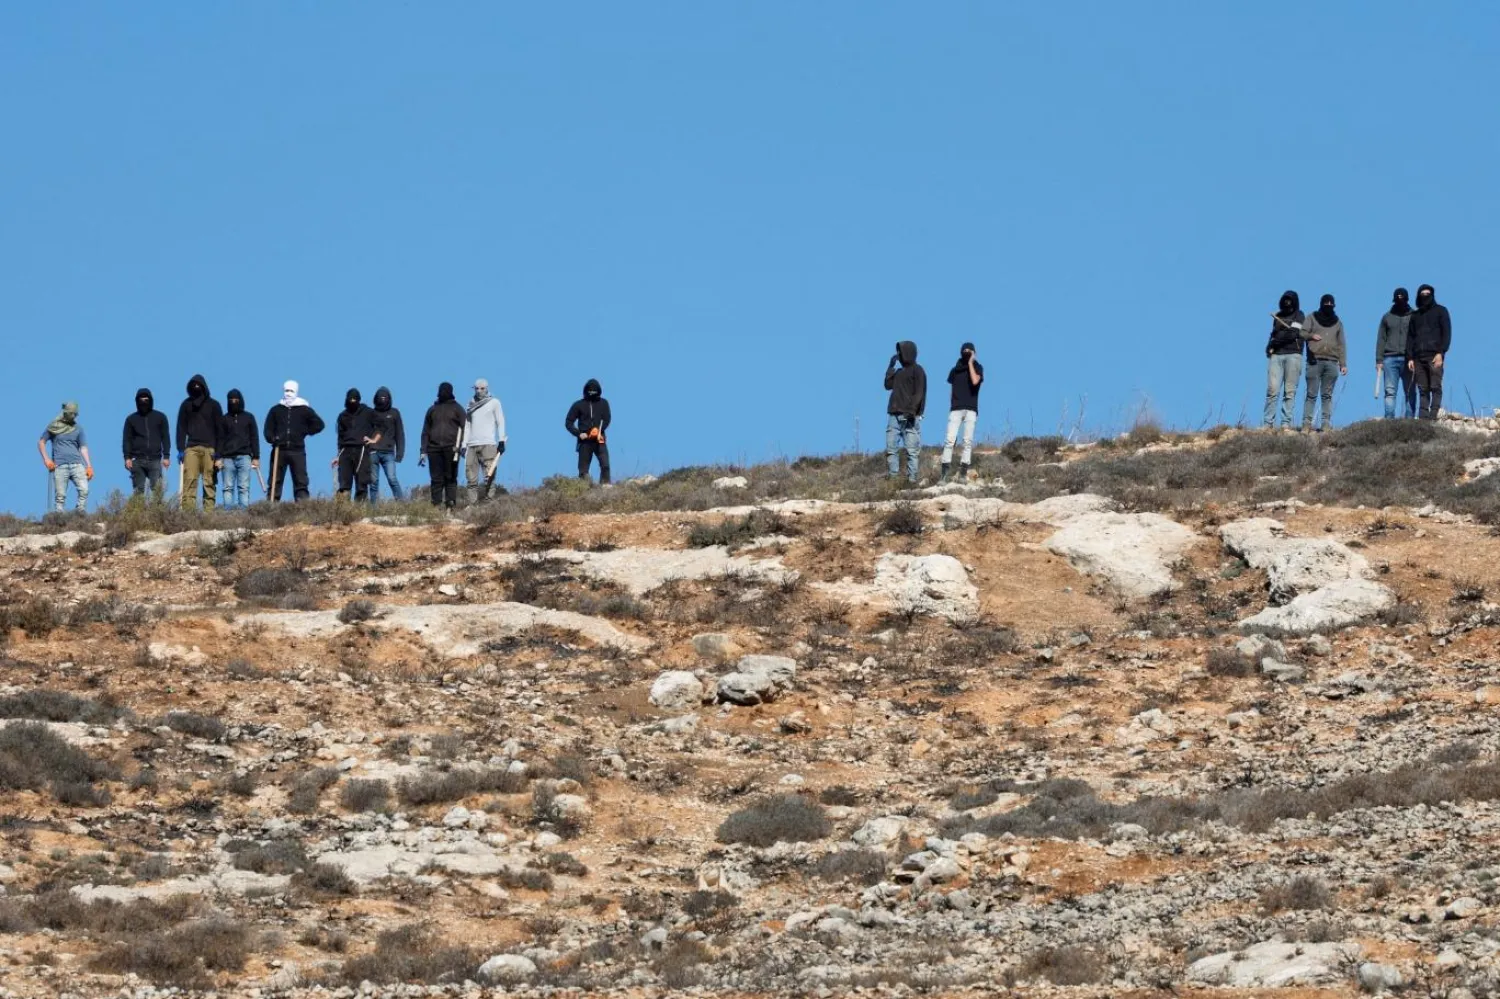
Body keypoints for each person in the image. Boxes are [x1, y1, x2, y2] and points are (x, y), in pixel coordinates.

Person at [264, 380, 325, 502]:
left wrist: (304, 431)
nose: (288, 393)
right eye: (286, 390)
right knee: (275, 481)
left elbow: (319, 424)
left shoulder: (304, 409)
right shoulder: (276, 410)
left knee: (300, 481)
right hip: (279, 450)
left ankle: (302, 509)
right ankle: (271, 508)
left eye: (291, 391)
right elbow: (268, 429)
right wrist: (272, 438)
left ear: (296, 391)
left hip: (297, 450)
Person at [1263, 291, 1316, 431]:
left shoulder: (1299, 315)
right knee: (1272, 390)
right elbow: (1273, 334)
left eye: (1290, 300)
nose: (1288, 302)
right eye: (1285, 299)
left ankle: (1285, 423)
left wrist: (1275, 342)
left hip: (1294, 355)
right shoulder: (1278, 316)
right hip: (1277, 356)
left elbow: (1293, 334)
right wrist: (1269, 346)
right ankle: (1268, 424)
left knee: (1289, 391)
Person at [1301, 294, 1347, 432]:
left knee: (1327, 395)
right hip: (1314, 361)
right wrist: (1311, 336)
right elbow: (1302, 332)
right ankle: (1306, 424)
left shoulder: (1338, 322)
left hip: (1332, 363)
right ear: (1321, 304)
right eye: (1326, 303)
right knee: (1311, 394)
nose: (1328, 306)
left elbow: (1341, 344)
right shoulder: (1311, 317)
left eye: (1330, 304)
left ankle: (1326, 424)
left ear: (1334, 306)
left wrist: (1343, 364)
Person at [176, 374, 223, 510]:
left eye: (199, 385)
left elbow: (220, 431)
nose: (196, 388)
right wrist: (180, 449)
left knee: (209, 483)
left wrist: (219, 453)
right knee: (190, 482)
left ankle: (208, 515)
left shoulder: (214, 405)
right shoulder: (186, 405)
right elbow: (181, 428)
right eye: (193, 386)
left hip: (210, 450)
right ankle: (188, 515)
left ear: (204, 387)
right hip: (191, 449)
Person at [1406, 284, 1452, 420]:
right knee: (1423, 389)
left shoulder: (1441, 311)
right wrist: (1410, 357)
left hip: (1434, 355)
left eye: (1428, 293)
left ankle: (1434, 416)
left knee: (1435, 387)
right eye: (1423, 294)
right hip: (1418, 358)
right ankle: (1423, 419)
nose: (1425, 296)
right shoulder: (1415, 315)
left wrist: (1441, 353)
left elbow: (1447, 333)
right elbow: (1410, 337)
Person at [38, 402, 93, 513]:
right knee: (60, 495)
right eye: (71, 414)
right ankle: (59, 519)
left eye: (75, 414)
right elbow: (41, 442)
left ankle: (79, 513)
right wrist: (46, 459)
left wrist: (89, 466)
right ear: (66, 413)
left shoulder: (78, 429)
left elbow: (83, 447)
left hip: (77, 464)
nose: (73, 416)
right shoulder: (54, 426)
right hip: (60, 465)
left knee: (84, 490)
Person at [940, 342, 983, 483]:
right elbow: (951, 390)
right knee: (949, 440)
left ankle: (963, 473)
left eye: (969, 351)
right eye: (964, 350)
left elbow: (975, 381)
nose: (966, 352)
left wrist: (971, 362)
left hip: (970, 408)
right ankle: (944, 474)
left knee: (967, 441)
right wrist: (952, 405)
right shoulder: (955, 370)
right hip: (956, 409)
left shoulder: (977, 367)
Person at [884, 341, 926, 482]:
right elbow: (887, 385)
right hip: (894, 415)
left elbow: (919, 392)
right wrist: (891, 367)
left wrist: (912, 410)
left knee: (911, 450)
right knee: (891, 448)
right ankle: (893, 478)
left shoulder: (918, 370)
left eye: (901, 352)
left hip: (909, 416)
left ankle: (912, 480)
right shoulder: (899, 372)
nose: (899, 355)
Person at [420, 382, 466, 508]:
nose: (443, 392)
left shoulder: (458, 408)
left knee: (450, 477)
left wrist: (462, 446)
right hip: (433, 449)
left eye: (445, 390)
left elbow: (465, 428)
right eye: (441, 390)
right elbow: (425, 432)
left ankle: (450, 503)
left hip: (452, 448)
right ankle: (436, 505)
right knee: (436, 479)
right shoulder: (432, 410)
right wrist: (423, 451)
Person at [331, 388, 382, 501]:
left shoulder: (368, 412)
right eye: (350, 399)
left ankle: (360, 511)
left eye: (355, 399)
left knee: (362, 484)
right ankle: (343, 512)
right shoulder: (342, 416)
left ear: (359, 399)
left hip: (362, 450)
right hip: (346, 451)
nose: (352, 401)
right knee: (344, 485)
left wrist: (374, 440)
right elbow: (340, 438)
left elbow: (380, 427)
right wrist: (338, 456)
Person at [122, 388, 171, 497]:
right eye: (141, 400)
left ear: (151, 400)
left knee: (157, 490)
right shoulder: (131, 419)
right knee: (138, 491)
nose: (144, 402)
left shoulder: (160, 417)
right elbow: (127, 440)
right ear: (137, 401)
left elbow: (165, 437)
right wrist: (127, 458)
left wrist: (166, 456)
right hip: (137, 460)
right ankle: (139, 513)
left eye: (146, 399)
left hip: (155, 460)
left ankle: (158, 513)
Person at [217, 389, 260, 510]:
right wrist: (218, 457)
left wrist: (256, 457)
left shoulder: (249, 417)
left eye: (236, 400)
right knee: (227, 488)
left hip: (245, 457)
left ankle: (243, 515)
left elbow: (254, 437)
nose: (233, 402)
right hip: (227, 458)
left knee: (243, 487)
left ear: (241, 400)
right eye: (231, 400)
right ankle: (228, 515)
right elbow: (220, 439)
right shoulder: (224, 419)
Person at [1376, 288, 1416, 419]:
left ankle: (1409, 421)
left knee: (1410, 391)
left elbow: (1418, 337)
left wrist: (1416, 357)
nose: (1400, 302)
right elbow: (1381, 339)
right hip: (1389, 359)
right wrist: (1379, 360)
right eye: (1398, 299)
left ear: (1407, 300)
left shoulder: (1414, 316)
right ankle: (1389, 421)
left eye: (1403, 299)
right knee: (1390, 392)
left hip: (1409, 359)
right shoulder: (1387, 317)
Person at [464, 378, 507, 501]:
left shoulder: (494, 402)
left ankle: (489, 501)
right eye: (476, 388)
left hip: (488, 444)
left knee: (489, 475)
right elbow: (467, 425)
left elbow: (500, 421)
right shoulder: (470, 404)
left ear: (487, 388)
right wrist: (463, 444)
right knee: (471, 477)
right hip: (471, 445)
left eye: (482, 388)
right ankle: (472, 504)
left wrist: (501, 440)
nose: (479, 391)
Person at [565, 379, 612, 484]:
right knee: (583, 470)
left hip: (600, 439)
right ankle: (584, 490)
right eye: (590, 390)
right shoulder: (578, 405)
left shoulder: (604, 403)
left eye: (594, 390)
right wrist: (579, 434)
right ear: (586, 391)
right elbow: (568, 422)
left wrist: (599, 430)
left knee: (605, 466)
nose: (592, 392)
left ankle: (605, 488)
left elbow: (607, 419)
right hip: (584, 441)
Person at [369, 386, 405, 501]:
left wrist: (400, 454)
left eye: (385, 397)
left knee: (392, 479)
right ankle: (373, 510)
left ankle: (402, 505)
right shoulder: (371, 413)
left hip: (389, 452)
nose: (383, 399)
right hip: (372, 452)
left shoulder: (394, 413)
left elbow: (400, 434)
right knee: (373, 482)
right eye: (380, 397)